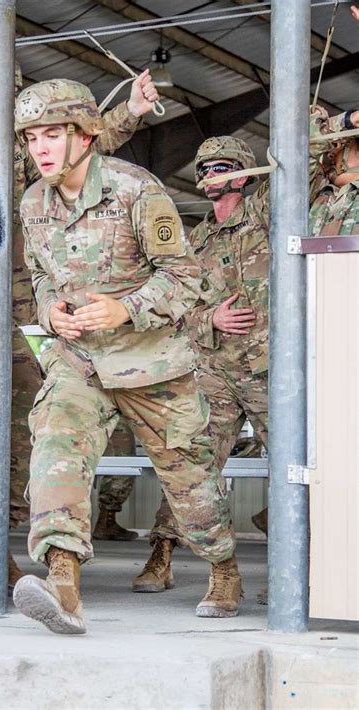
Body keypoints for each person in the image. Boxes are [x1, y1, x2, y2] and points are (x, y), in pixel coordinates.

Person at [0, 47, 161, 587]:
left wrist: (131, 108)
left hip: (27, 307)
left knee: (28, 420)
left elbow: (85, 144)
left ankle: (5, 540)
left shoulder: (19, 146)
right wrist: (7, 245)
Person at [12, 78, 239, 635]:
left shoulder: (137, 190)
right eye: (31, 137)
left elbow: (188, 278)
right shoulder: (33, 202)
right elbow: (41, 276)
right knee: (57, 447)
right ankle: (62, 582)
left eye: (52, 134)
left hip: (152, 362)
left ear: (86, 133)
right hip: (79, 361)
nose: (39, 148)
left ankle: (224, 567)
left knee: (191, 483)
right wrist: (50, 311)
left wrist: (126, 309)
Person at [133, 107, 358, 611]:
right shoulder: (193, 242)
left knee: (293, 466)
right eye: (206, 169)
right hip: (212, 370)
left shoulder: (265, 215)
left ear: (243, 173)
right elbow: (172, 307)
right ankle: (168, 556)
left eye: (223, 167)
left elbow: (301, 160)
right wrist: (207, 319)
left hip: (270, 370)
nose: (213, 175)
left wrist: (327, 121)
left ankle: (302, 571)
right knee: (191, 465)